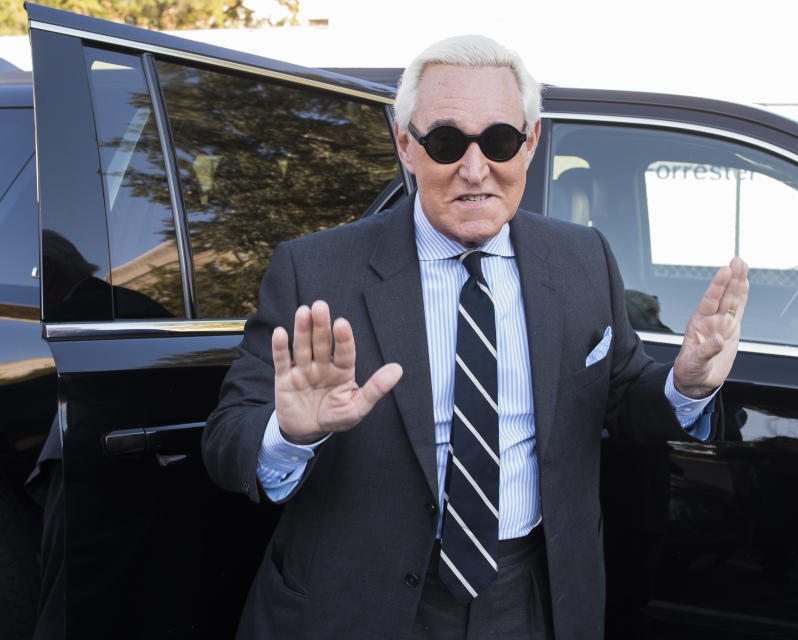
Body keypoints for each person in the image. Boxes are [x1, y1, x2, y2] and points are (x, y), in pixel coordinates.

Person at [202, 34, 748, 640]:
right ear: (406, 144)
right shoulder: (316, 270)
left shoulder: (582, 259)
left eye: (498, 140)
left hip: (529, 596)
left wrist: (685, 384)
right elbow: (227, 441)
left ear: (530, 143)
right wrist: (290, 435)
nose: (474, 169)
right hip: (353, 603)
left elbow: (621, 398)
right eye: (444, 142)